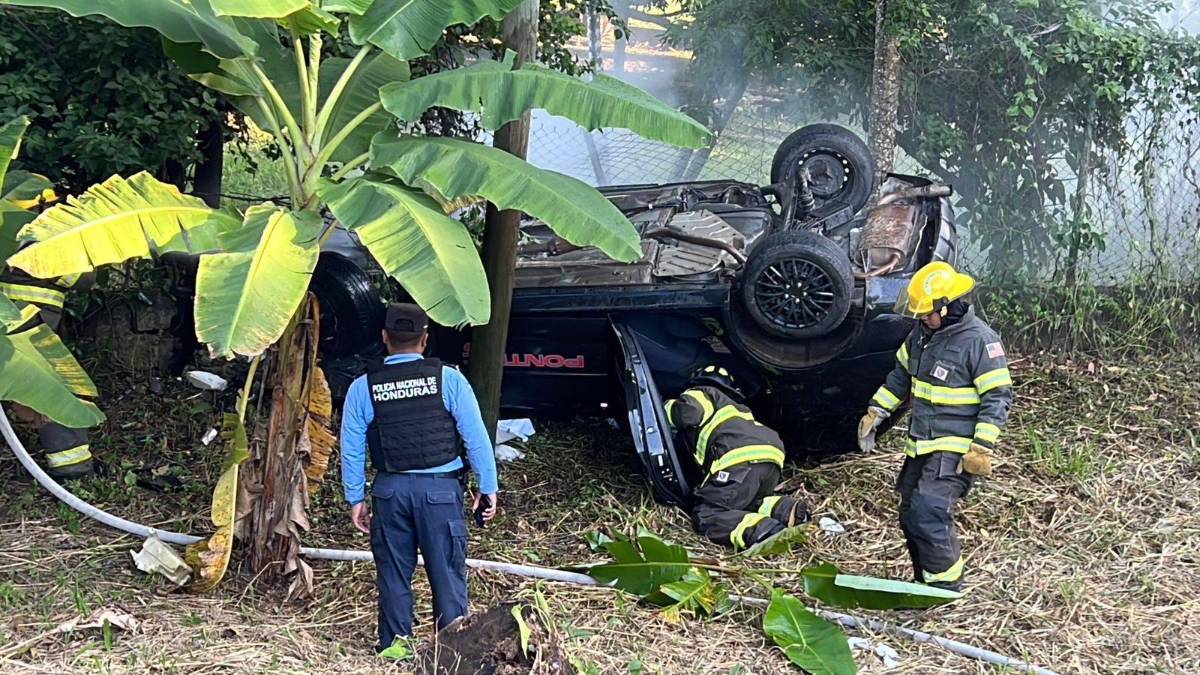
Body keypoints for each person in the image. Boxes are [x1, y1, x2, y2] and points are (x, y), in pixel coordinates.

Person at [340, 303, 499, 652]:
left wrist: (356, 498)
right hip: (440, 494)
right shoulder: (448, 379)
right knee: (447, 576)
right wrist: (487, 487)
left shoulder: (363, 387)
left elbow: (351, 449)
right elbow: (476, 437)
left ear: (384, 337)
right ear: (425, 339)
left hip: (390, 492)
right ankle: (451, 653)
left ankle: (395, 650)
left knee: (394, 576)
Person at [857, 261, 1012, 591]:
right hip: (922, 442)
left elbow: (998, 396)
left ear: (947, 306)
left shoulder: (980, 342)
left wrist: (982, 447)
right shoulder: (921, 335)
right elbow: (901, 377)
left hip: (956, 445)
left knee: (929, 510)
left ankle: (947, 586)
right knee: (910, 513)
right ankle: (924, 582)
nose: (922, 319)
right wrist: (876, 412)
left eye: (927, 313)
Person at [665, 365, 807, 550]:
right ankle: (787, 510)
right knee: (742, 504)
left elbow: (688, 412)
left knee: (709, 514)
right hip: (771, 458)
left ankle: (765, 532)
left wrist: (664, 407)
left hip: (739, 458)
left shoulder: (705, 392)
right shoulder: (740, 409)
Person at [0, 261, 94, 479]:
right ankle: (72, 466)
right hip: (29, 314)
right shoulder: (42, 241)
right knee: (55, 386)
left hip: (10, 312)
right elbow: (80, 278)